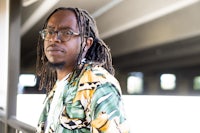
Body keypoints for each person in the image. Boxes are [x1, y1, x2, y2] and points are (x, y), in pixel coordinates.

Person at [36, 7, 129, 133]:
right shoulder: (60, 85)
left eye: (66, 33)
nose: (54, 38)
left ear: (86, 43)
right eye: (50, 32)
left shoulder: (99, 84)